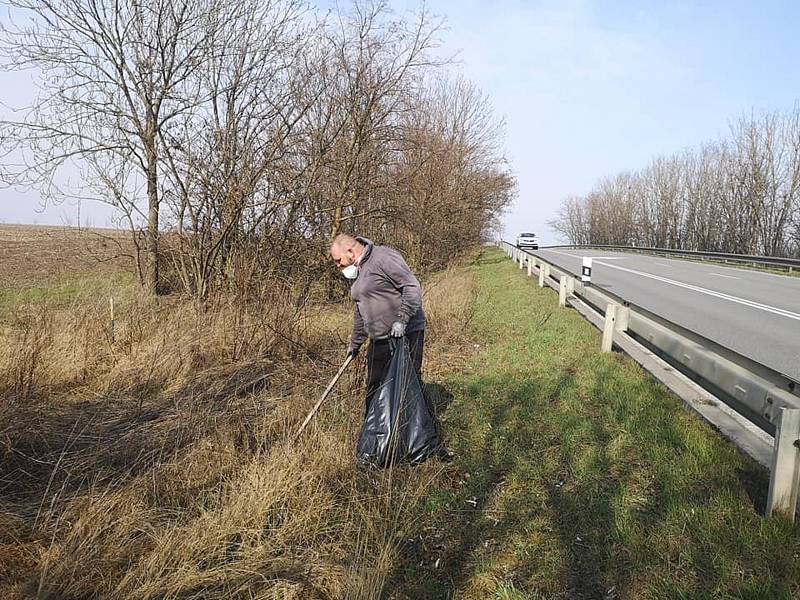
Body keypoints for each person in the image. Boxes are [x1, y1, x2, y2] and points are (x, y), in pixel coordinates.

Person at [330, 234, 427, 413]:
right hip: (379, 339)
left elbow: (411, 286)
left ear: (350, 251)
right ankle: (375, 436)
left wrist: (402, 320)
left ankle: (412, 434)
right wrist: (355, 343)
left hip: (406, 334)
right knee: (375, 386)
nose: (338, 266)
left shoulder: (383, 257)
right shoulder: (359, 272)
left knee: (407, 384)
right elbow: (361, 310)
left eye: (338, 260)